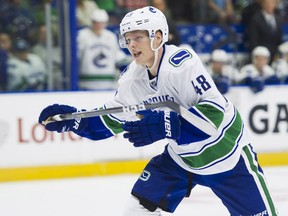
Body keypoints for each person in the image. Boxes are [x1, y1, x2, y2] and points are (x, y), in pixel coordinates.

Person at [38, 6, 278, 215]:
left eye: (138, 37)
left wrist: (169, 124)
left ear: (158, 37)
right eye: (127, 39)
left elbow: (213, 116)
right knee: (137, 209)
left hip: (228, 158)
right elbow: (112, 119)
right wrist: (76, 121)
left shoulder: (182, 63)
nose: (131, 45)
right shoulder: (132, 79)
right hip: (180, 161)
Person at [77, 8, 130, 90]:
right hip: (86, 83)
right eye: (96, 22)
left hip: (108, 83)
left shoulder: (110, 36)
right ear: (92, 22)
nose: (99, 25)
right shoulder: (82, 35)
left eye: (101, 23)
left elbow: (117, 55)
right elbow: (76, 57)